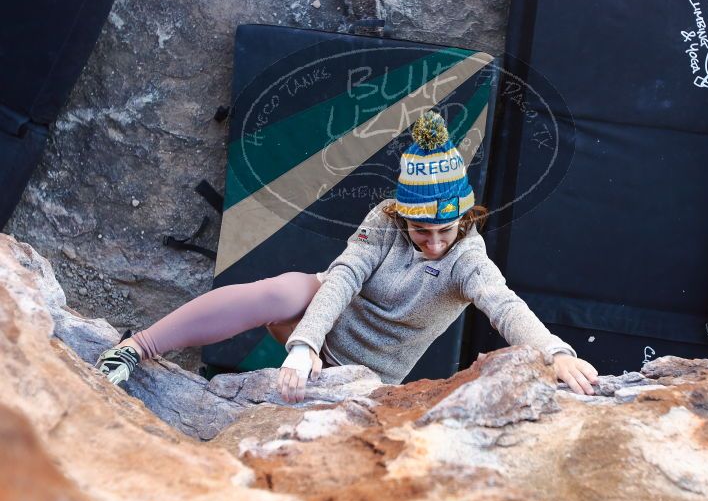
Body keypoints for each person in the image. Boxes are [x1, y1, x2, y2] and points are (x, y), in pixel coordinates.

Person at [96, 111, 599, 402]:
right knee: (286, 287)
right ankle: (134, 349)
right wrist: (306, 344)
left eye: (445, 229)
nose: (434, 241)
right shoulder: (385, 218)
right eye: (421, 230)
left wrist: (554, 352)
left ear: (464, 218)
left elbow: (504, 305)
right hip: (317, 329)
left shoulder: (468, 259)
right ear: (404, 216)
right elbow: (344, 276)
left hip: (366, 375)